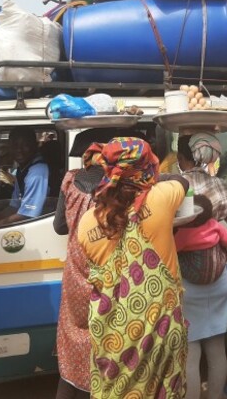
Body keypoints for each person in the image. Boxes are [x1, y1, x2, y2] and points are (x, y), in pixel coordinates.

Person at [77, 137, 190, 398]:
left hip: (112, 336)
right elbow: (183, 182)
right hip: (159, 330)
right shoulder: (161, 199)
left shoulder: (85, 224)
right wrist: (153, 180)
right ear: (146, 169)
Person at [53, 128, 144, 399]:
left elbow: (59, 226)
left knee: (75, 338)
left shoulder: (70, 180)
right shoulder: (122, 186)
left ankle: (73, 382)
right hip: (109, 273)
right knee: (110, 343)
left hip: (75, 271)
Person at [176, 134, 227, 399]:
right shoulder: (221, 186)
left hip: (186, 282)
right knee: (217, 348)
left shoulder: (173, 189)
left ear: (180, 158)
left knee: (190, 352)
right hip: (218, 280)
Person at [0, 127, 49, 228]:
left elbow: (28, 214)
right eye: (15, 145)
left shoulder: (37, 171)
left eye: (25, 145)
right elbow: (14, 206)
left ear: (35, 145)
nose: (19, 150)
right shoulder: (23, 169)